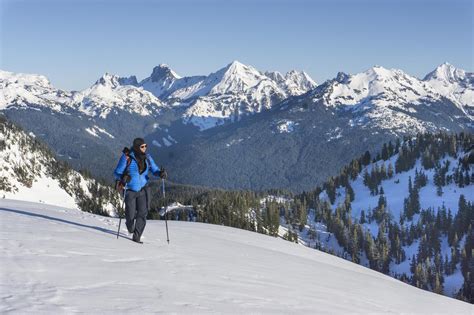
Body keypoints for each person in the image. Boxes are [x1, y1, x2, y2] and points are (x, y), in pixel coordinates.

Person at [114, 137, 167, 243]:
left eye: (146, 146)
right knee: (130, 214)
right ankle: (130, 226)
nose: (145, 148)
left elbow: (155, 169)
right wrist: (123, 177)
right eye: (142, 146)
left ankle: (137, 236)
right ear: (137, 147)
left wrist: (160, 173)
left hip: (143, 189)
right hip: (130, 190)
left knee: (143, 213)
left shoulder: (147, 158)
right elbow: (117, 172)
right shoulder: (127, 158)